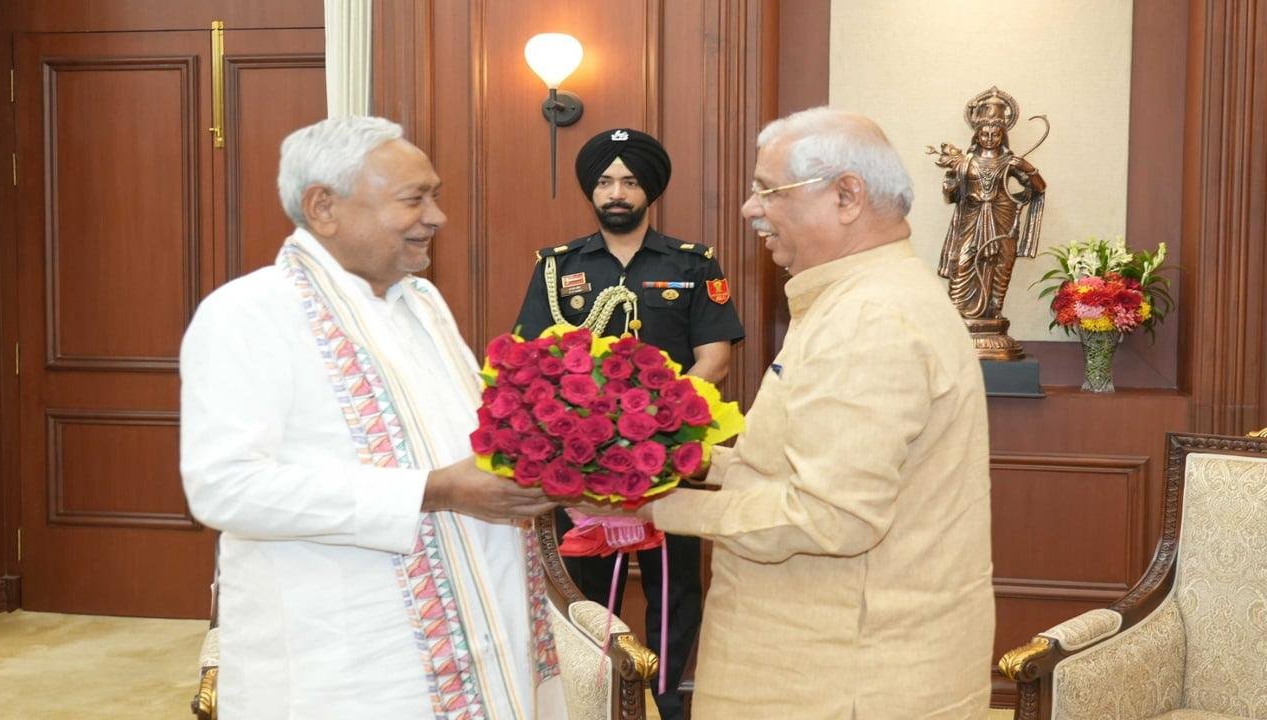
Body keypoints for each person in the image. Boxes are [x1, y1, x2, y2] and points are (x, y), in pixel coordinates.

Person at [180, 116, 566, 720]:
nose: (437, 217)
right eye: (414, 199)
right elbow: (224, 489)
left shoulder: (421, 301)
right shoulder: (247, 312)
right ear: (324, 207)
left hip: (482, 643)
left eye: (434, 196)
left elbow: (468, 441)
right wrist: (433, 491)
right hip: (349, 670)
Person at [637, 108, 994, 718]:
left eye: (767, 191)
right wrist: (688, 461)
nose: (749, 209)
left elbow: (830, 517)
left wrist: (651, 508)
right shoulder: (857, 297)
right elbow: (798, 464)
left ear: (846, 196)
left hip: (841, 681)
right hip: (826, 662)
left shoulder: (868, 317)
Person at [514, 127, 744, 719]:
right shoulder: (558, 267)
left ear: (649, 191)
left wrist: (659, 426)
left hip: (668, 455)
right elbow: (534, 359)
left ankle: (665, 704)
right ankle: (595, 702)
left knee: (675, 586)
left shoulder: (692, 264)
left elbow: (715, 359)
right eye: (605, 182)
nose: (616, 193)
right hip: (582, 460)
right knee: (584, 585)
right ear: (591, 190)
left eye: (630, 182)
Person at [935, 86, 1046, 322]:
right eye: (984, 134)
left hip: (1002, 222)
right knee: (962, 262)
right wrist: (951, 185)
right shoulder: (966, 162)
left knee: (1000, 265)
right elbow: (951, 196)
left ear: (1002, 135)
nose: (989, 139)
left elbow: (1039, 188)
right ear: (976, 135)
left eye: (995, 134)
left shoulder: (1009, 162)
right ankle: (958, 318)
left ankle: (994, 314)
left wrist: (1027, 168)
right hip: (971, 221)